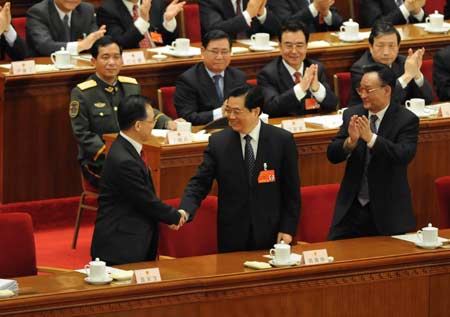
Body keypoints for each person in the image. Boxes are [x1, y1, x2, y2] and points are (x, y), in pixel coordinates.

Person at [179, 85, 301, 253]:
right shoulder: (218, 142)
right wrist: (185, 210)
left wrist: (288, 229)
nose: (231, 116)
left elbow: (291, 192)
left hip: (272, 233)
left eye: (237, 112)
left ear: (255, 111)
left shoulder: (282, 141)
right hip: (232, 233)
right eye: (228, 110)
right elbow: (200, 183)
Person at [70, 36, 181, 188]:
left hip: (133, 157)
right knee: (137, 179)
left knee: (162, 172)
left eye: (116, 57)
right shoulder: (82, 93)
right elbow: (82, 134)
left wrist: (167, 122)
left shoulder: (130, 86)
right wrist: (113, 154)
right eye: (105, 57)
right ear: (93, 61)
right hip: (100, 162)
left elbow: (145, 111)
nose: (111, 62)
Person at [91, 95, 187, 265]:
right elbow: (145, 199)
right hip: (120, 244)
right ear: (137, 125)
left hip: (132, 238)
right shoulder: (124, 159)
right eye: (151, 122)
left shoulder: (126, 148)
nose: (153, 126)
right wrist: (173, 216)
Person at [327, 63, 419, 240]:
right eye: (360, 89)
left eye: (368, 90)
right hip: (352, 210)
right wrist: (350, 142)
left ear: (386, 90)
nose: (362, 95)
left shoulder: (406, 120)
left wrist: (371, 139)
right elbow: (332, 154)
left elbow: (403, 155)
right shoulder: (352, 114)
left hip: (389, 210)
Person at [257, 19, 337, 117]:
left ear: (306, 46)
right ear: (280, 47)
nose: (294, 51)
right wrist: (300, 88)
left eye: (299, 45)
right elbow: (271, 108)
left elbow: (333, 104)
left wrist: (317, 90)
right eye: (288, 45)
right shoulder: (268, 74)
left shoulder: (316, 69)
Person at [349, 21, 433, 107]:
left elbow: (428, 99)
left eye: (391, 46)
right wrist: (407, 76)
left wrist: (416, 73)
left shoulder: (404, 63)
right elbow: (379, 103)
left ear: (398, 46)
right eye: (380, 46)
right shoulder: (360, 69)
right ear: (371, 47)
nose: (386, 52)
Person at [174, 30, 247, 125]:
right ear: (203, 52)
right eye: (214, 51)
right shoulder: (188, 80)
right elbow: (187, 117)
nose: (219, 57)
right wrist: (220, 112)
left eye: (224, 52)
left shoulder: (238, 76)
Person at [26, 0, 106, 56]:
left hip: (80, 67)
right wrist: (81, 45)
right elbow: (45, 46)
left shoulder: (87, 10)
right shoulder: (38, 12)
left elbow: (94, 40)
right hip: (46, 68)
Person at [96, 0, 184, 49]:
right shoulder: (107, 10)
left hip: (160, 59)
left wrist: (168, 21)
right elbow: (120, 44)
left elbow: (167, 41)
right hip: (131, 63)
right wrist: (143, 21)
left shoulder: (155, 3)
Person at [198, 0, 280, 39]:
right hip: (222, 53)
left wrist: (262, 13)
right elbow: (215, 29)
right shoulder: (210, 1)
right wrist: (248, 15)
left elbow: (278, 30)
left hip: (256, 55)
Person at [267, 0, 343, 33]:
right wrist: (314, 8)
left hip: (325, 45)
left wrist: (326, 13)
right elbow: (284, 25)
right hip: (296, 47)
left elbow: (339, 23)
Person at [359, 0, 426, 28]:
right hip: (386, 47)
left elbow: (426, 24)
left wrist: (417, 12)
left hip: (416, 41)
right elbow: (375, 26)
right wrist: (405, 9)